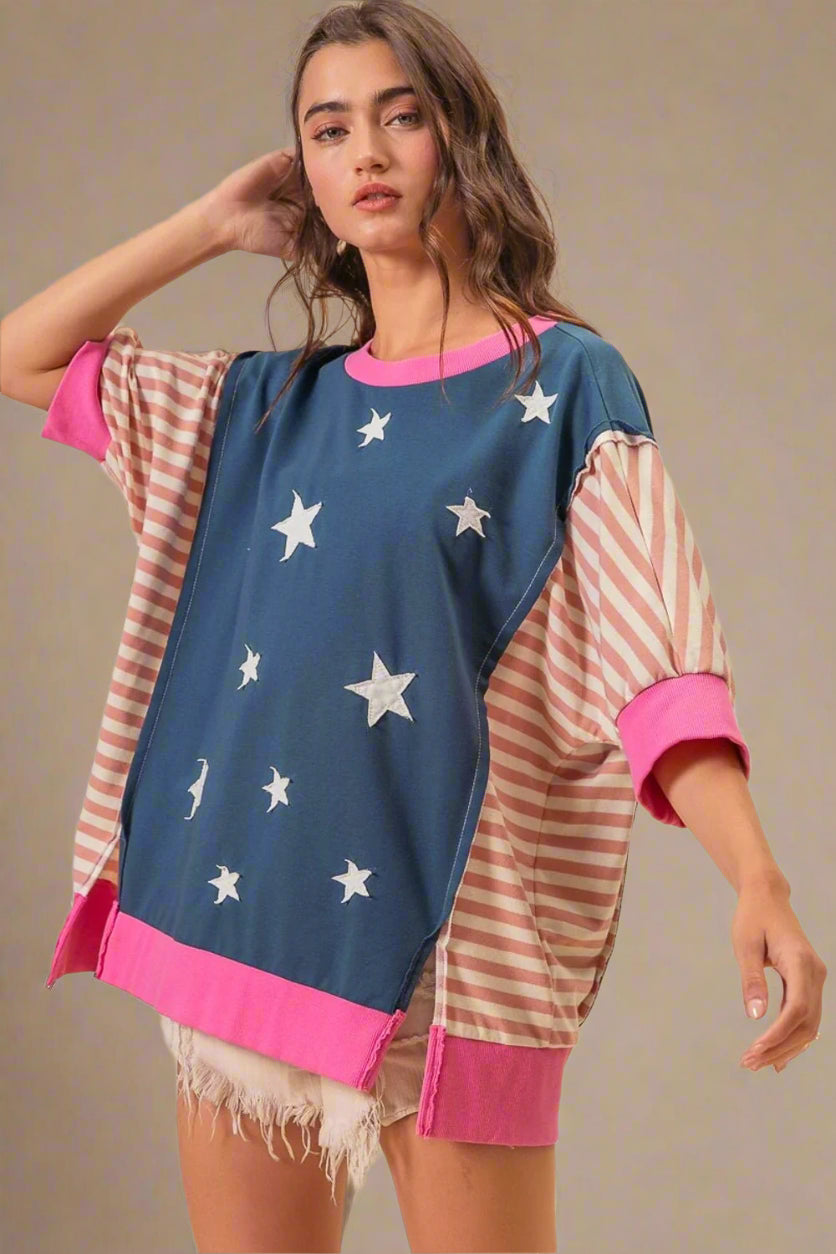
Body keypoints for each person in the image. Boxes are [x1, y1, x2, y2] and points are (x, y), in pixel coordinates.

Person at [2, 3, 825, 1252]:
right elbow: (23, 356)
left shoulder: (562, 385)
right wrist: (210, 225)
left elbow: (656, 655)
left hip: (456, 953)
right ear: (305, 173)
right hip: (253, 919)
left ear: (459, 137)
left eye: (400, 116)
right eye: (329, 130)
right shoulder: (260, 410)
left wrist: (754, 872)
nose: (367, 153)